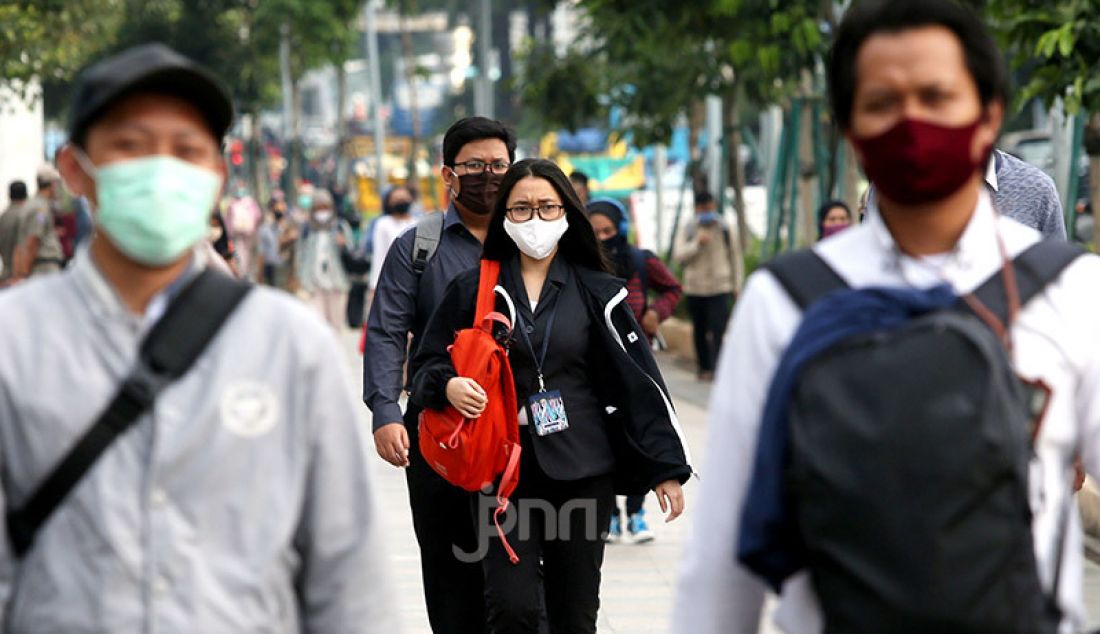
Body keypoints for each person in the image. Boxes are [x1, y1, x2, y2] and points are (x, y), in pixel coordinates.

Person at [673, 2, 1100, 632]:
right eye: (882, 103)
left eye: (937, 95)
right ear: (847, 126)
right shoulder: (784, 302)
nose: (912, 123)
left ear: (989, 115)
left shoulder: (1068, 290)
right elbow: (720, 568)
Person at [0, 43, 395, 632]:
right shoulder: (13, 341)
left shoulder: (289, 345)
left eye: (186, 151)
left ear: (215, 176)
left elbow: (348, 580)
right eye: (130, 147)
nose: (161, 169)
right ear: (75, 167)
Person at [411, 158, 691, 633]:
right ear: (504, 216)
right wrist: (448, 385)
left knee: (574, 614)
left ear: (566, 213)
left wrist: (666, 467)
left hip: (582, 473)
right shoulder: (474, 289)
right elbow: (426, 365)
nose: (534, 220)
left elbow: (637, 381)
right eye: (520, 209)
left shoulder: (599, 291)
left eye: (546, 207)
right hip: (501, 474)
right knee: (511, 606)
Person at [363, 116, 516, 633]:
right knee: (452, 577)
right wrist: (386, 411)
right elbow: (387, 332)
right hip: (440, 434)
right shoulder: (418, 248)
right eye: (475, 166)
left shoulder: (534, 245)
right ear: (448, 176)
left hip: (521, 437)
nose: (488, 176)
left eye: (498, 166)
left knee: (521, 582)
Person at [587, 197, 684, 544]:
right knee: (607, 439)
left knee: (640, 432)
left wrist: (657, 312)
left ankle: (638, 512)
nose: (602, 239)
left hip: (637, 364)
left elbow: (674, 288)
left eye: (608, 231)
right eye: (594, 232)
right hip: (599, 368)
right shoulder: (581, 266)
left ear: (621, 230)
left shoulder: (641, 261)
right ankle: (611, 514)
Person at [673, 191, 737, 381]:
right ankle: (704, 367)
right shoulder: (688, 228)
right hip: (695, 288)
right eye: (702, 209)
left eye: (709, 208)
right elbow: (679, 256)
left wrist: (736, 284)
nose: (707, 212)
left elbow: (735, 257)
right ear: (696, 209)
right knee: (700, 329)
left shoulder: (725, 227)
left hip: (720, 286)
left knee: (718, 328)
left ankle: (718, 367)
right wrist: (696, 244)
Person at [296, 189, 352, 330]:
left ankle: (334, 352)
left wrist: (343, 244)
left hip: (337, 284)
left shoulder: (340, 226)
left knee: (336, 325)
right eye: (318, 208)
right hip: (314, 284)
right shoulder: (307, 229)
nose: (322, 212)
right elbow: (300, 254)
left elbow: (352, 251)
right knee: (317, 325)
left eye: (325, 208)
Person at [368, 184, 418, 295]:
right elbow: (379, 255)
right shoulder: (383, 224)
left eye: (404, 198)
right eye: (397, 199)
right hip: (390, 281)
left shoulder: (417, 223)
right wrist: (374, 285)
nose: (401, 201)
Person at [18, 165, 66, 278]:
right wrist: (25, 271)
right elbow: (34, 238)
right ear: (53, 185)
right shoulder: (41, 209)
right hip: (45, 268)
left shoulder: (36, 204)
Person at [0, 181, 31, 286]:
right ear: (26, 194)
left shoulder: (3, 216)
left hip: (5, 274)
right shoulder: (26, 215)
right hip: (20, 277)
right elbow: (21, 247)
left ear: (9, 195)